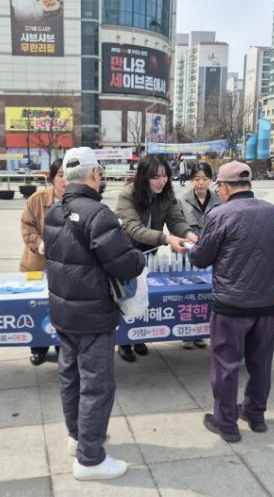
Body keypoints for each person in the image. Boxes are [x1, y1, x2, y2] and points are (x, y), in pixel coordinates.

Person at [43, 147, 146, 480]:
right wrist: (138, 256)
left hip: (63, 312)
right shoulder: (98, 214)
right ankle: (90, 459)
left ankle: (78, 439)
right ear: (93, 174)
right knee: (96, 385)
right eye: (99, 173)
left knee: (71, 378)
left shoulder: (54, 211)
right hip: (93, 316)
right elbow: (125, 263)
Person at [188, 161, 274, 442]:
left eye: (219, 187)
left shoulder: (220, 214)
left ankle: (226, 423)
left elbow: (201, 257)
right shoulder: (271, 211)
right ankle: (256, 414)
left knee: (226, 365)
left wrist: (192, 247)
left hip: (232, 304)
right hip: (266, 303)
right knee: (260, 363)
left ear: (225, 188)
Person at [116, 155, 198, 362]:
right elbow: (134, 229)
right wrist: (166, 239)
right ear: (144, 177)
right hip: (127, 252)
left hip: (150, 251)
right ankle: (124, 342)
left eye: (165, 176)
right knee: (128, 296)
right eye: (155, 177)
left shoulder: (167, 194)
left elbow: (176, 220)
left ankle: (139, 337)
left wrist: (188, 234)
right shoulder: (127, 194)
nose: (161, 181)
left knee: (144, 295)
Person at [20, 158, 66, 366]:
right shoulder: (37, 199)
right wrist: (40, 244)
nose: (66, 180)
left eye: (69, 175)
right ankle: (38, 348)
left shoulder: (77, 202)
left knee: (61, 309)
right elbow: (27, 226)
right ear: (52, 178)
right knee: (37, 308)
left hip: (65, 269)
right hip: (37, 265)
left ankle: (61, 347)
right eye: (61, 175)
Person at [178, 161, 222, 350]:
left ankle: (200, 333)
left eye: (205, 179)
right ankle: (186, 333)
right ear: (191, 180)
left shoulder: (219, 200)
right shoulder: (182, 200)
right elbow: (177, 224)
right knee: (187, 295)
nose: (201, 183)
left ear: (211, 180)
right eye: (196, 179)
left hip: (212, 254)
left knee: (207, 294)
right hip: (188, 254)